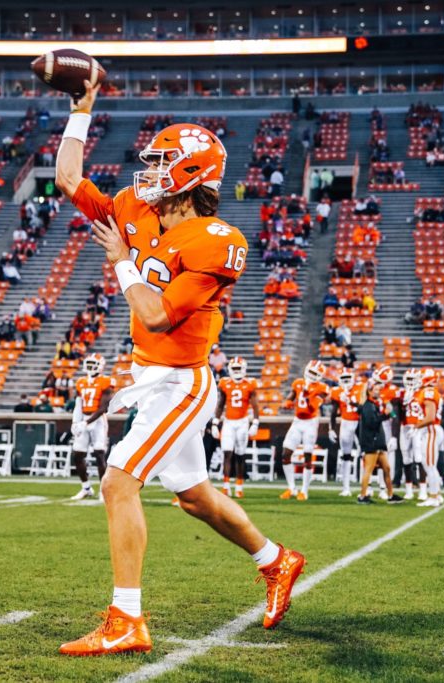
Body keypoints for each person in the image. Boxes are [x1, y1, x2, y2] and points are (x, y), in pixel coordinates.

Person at [55, 80, 304, 656]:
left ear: (191, 173)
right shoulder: (136, 207)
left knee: (118, 482)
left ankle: (126, 620)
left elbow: (158, 315)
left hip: (181, 382)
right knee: (195, 497)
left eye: (162, 163)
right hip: (149, 378)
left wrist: (122, 262)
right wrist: (81, 110)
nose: (149, 173)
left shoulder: (216, 239)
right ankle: (276, 560)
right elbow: (68, 179)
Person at [280, 361, 330, 501]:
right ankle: (291, 488)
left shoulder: (322, 388)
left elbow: (313, 407)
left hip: (310, 423)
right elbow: (291, 397)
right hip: (297, 421)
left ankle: (304, 490)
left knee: (308, 456)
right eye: (311, 372)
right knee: (285, 454)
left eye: (315, 373)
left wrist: (308, 396)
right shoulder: (298, 383)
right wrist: (287, 403)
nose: (312, 375)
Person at [212, 356, 260, 498]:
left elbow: (255, 405)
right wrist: (215, 423)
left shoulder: (250, 384)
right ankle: (226, 486)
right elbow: (220, 404)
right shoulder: (224, 383)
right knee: (227, 453)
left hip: (242, 422)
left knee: (240, 455)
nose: (237, 371)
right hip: (228, 422)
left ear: (244, 369)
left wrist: (255, 422)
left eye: (239, 368)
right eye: (235, 368)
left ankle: (239, 486)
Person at [69, 354, 115, 502]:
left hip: (98, 421)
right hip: (83, 418)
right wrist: (75, 422)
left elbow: (104, 407)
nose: (89, 366)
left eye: (93, 363)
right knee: (77, 454)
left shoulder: (106, 381)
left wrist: (86, 422)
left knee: (99, 454)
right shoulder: (81, 381)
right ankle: (86, 488)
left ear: (100, 365)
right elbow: (78, 404)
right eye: (88, 363)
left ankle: (103, 490)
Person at [355, 380, 403, 505]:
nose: (378, 392)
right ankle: (362, 496)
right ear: (369, 391)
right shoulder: (367, 405)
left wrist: (387, 414)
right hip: (372, 441)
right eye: (375, 390)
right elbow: (372, 423)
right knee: (369, 469)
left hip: (377, 441)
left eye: (378, 389)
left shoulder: (373, 404)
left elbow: (382, 418)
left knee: (387, 468)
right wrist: (385, 415)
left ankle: (391, 495)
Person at [407, 367, 444, 507]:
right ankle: (437, 494)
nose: (418, 380)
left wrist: (416, 426)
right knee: (430, 465)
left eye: (420, 377)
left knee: (429, 465)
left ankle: (433, 496)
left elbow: (430, 417)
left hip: (430, 430)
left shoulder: (428, 392)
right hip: (431, 430)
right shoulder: (428, 391)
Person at [329, 368, 363, 498]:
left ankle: (367, 487)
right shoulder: (336, 391)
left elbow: (363, 407)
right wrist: (331, 428)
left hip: (360, 422)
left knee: (365, 455)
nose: (346, 381)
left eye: (348, 378)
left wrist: (350, 401)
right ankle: (346, 488)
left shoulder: (361, 388)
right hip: (345, 422)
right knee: (346, 455)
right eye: (343, 379)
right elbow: (333, 412)